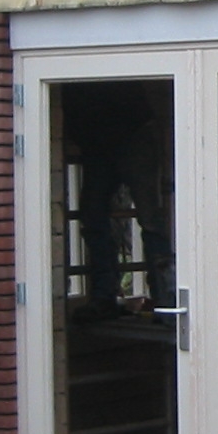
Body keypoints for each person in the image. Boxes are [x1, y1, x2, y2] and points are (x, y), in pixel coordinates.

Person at [63, 82, 174, 317]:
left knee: (150, 220)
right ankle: (106, 297)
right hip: (98, 141)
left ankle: (165, 300)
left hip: (131, 132)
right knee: (93, 218)